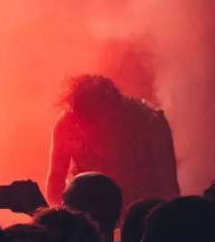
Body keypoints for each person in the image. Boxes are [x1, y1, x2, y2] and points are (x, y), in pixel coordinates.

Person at [46, 75, 179, 207]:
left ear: (115, 112)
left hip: (140, 213)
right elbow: (55, 185)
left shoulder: (150, 122)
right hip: (89, 215)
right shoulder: (69, 123)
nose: (92, 133)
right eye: (87, 124)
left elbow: (168, 188)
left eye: (99, 125)